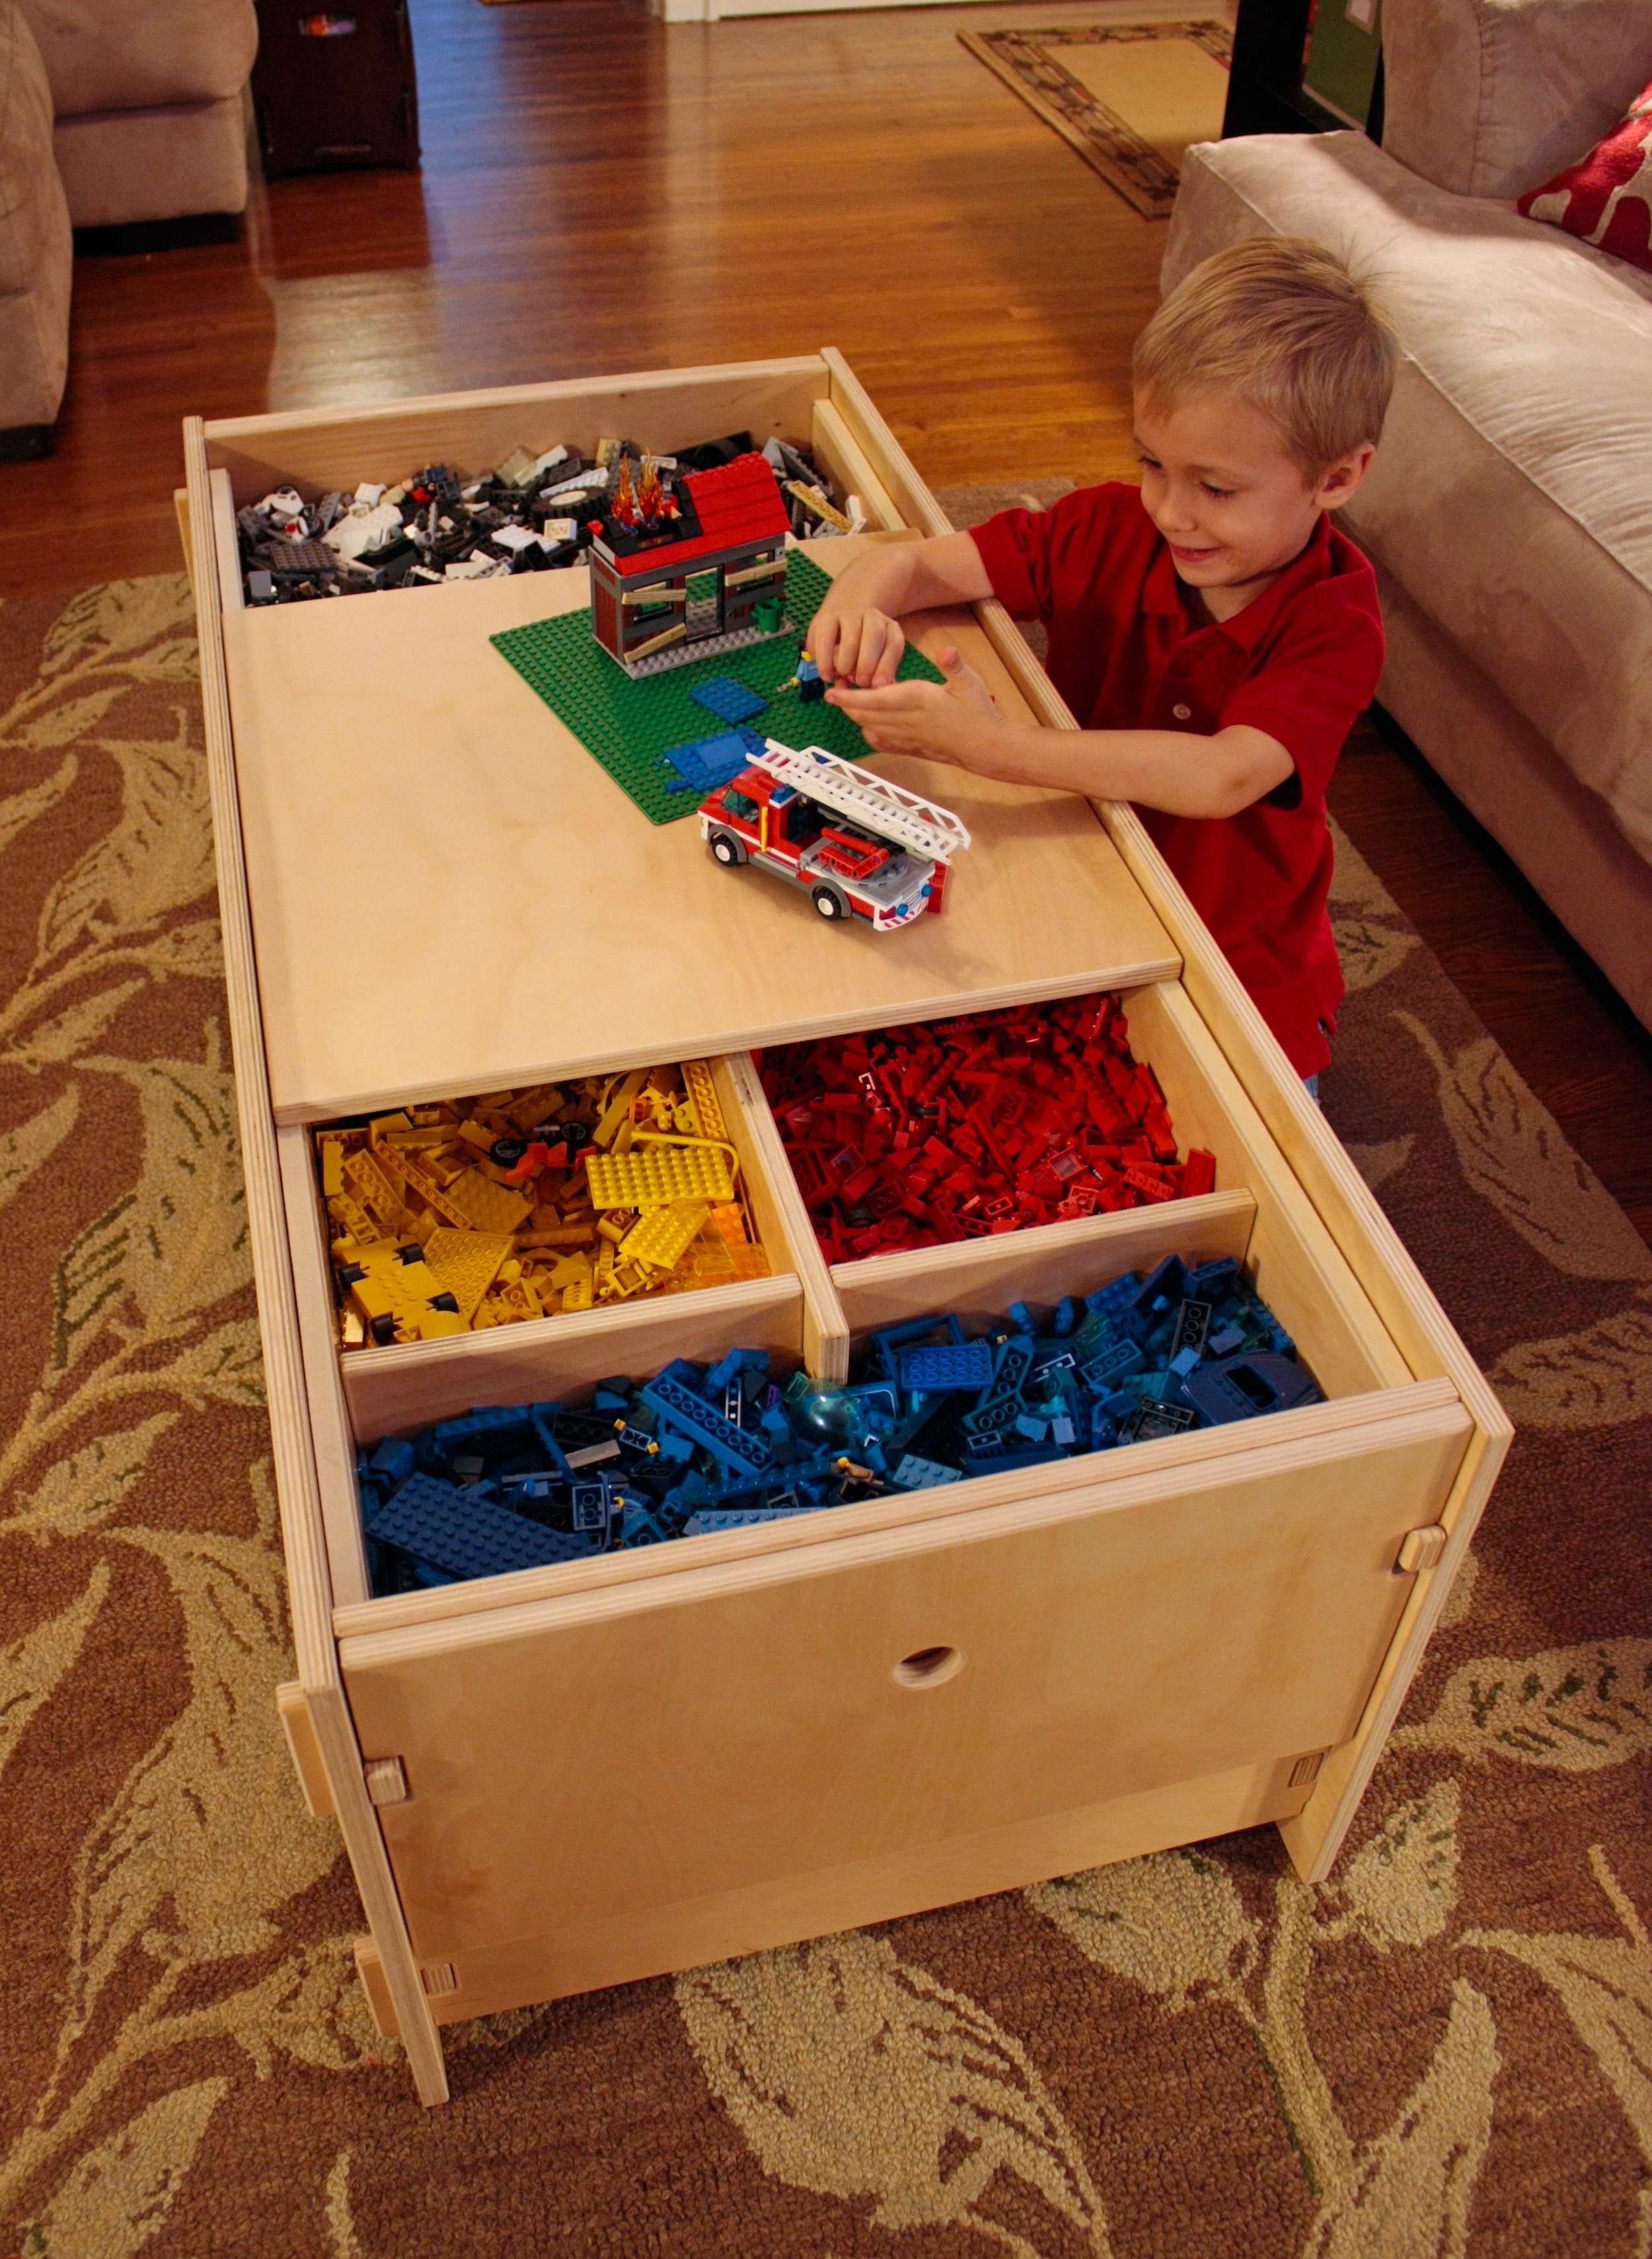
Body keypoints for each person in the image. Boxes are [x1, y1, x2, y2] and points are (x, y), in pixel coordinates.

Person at [812, 237, 1399, 1089]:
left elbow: (1221, 779)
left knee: (1268, 1123)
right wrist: (860, 594)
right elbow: (922, 563)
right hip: (1088, 851)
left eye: (1217, 489)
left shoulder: (1338, 627)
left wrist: (987, 746)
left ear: (1337, 478)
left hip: (1233, 936)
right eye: (1152, 465)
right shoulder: (1110, 527)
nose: (1172, 512)